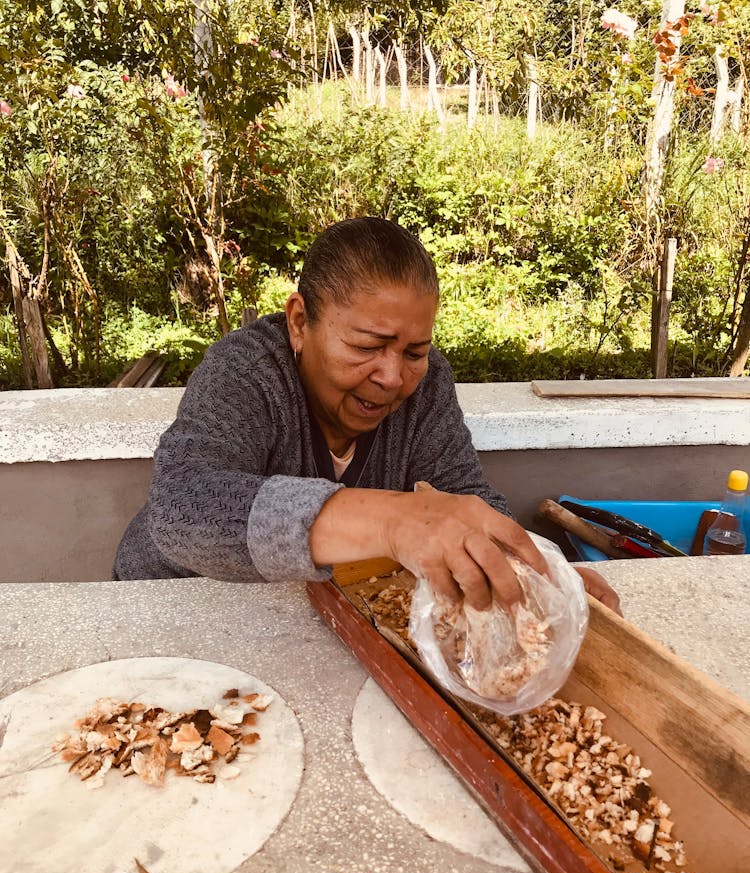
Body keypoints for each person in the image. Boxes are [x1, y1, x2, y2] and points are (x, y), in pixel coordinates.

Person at [115, 217, 619, 614]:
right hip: (176, 608)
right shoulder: (248, 372)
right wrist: (393, 521)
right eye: (366, 346)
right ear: (299, 322)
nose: (393, 378)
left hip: (321, 616)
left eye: (415, 352)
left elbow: (462, 496)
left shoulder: (428, 383)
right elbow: (182, 507)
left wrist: (527, 570)